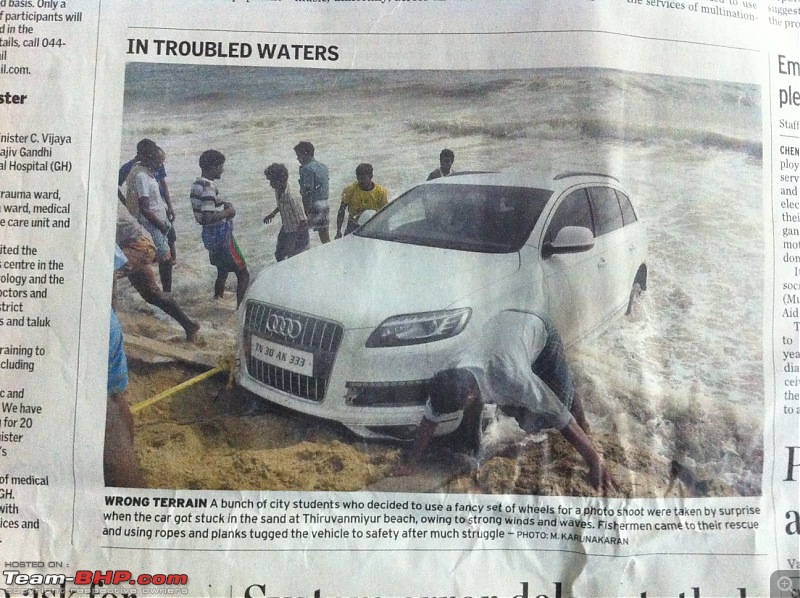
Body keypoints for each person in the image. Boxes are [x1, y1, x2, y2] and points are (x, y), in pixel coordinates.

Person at [395, 310, 617, 494]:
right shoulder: (450, 374)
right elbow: (429, 420)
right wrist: (411, 462)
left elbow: (559, 414)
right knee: (522, 418)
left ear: (470, 394)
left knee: (556, 406)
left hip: (538, 326)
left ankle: (582, 417)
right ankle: (474, 445)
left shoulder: (511, 378)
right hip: (502, 325)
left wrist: (594, 459)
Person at [116, 204, 200, 342]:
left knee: (101, 277)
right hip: (137, 242)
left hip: (136, 246)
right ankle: (189, 325)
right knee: (152, 294)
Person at [105, 247, 147, 488]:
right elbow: (111, 275)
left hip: (96, 323)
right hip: (104, 321)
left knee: (111, 407)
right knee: (114, 400)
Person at [190, 149, 250, 307]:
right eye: (220, 166)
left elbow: (204, 211)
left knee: (222, 270)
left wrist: (223, 206)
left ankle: (217, 301)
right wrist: (228, 211)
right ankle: (240, 310)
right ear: (213, 167)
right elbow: (208, 217)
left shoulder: (197, 184)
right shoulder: (209, 187)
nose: (222, 170)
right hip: (220, 234)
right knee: (243, 273)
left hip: (210, 236)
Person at [118, 138, 177, 292]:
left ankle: (160, 290)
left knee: (163, 255)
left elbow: (161, 187)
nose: (160, 165)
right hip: (151, 221)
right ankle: (164, 293)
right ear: (146, 157)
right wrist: (126, 205)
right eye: (158, 161)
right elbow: (144, 207)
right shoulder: (139, 173)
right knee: (160, 257)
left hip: (158, 216)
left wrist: (169, 208)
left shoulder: (151, 171)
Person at [263, 163, 309, 262]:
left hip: (298, 232)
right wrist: (273, 213)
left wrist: (294, 241)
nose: (270, 184)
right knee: (279, 255)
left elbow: (303, 221)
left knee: (294, 257)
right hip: (287, 227)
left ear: (280, 181)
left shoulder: (292, 197)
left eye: (272, 181)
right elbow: (282, 204)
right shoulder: (278, 190)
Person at [335, 163, 388, 239]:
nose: (361, 181)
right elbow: (341, 210)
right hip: (353, 225)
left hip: (373, 225)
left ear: (371, 177)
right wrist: (338, 231)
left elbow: (385, 213)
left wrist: (386, 232)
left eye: (363, 179)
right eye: (359, 178)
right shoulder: (350, 190)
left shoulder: (381, 192)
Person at [293, 141, 330, 244]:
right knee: (324, 235)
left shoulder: (306, 169)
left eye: (298, 155)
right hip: (324, 203)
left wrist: (307, 210)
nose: (297, 159)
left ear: (305, 154)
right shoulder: (323, 166)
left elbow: (308, 191)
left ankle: (301, 254)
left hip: (314, 204)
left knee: (299, 231)